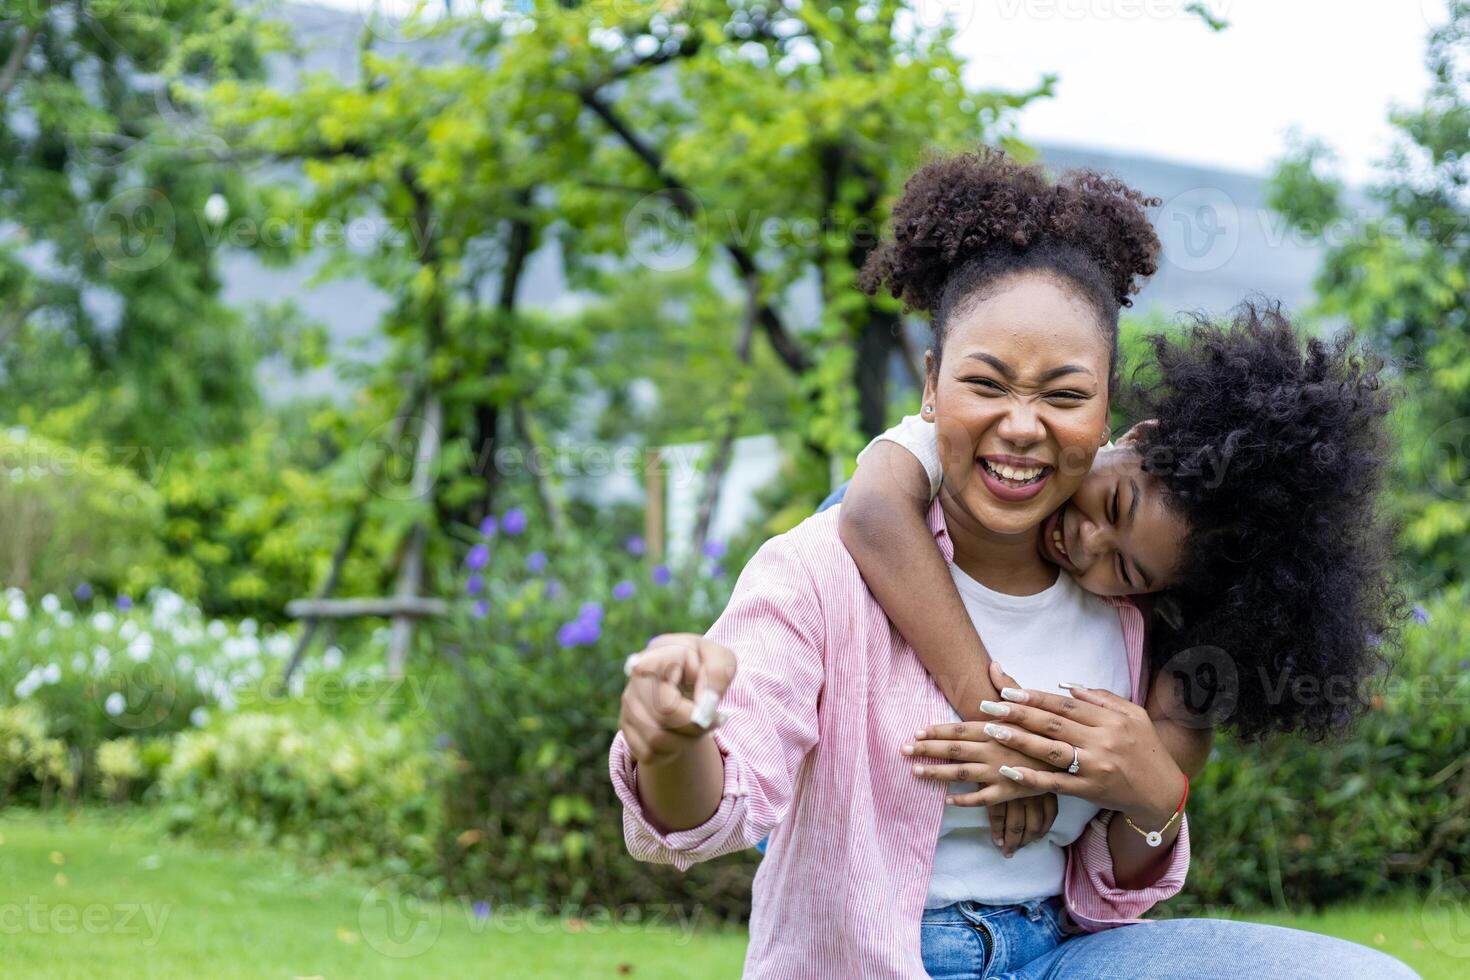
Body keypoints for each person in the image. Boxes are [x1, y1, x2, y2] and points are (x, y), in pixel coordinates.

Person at [611, 149, 1417, 978]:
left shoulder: (1133, 623)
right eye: (986, 383)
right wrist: (674, 741)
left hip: (1055, 957)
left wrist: (1154, 800)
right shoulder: (825, 569)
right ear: (931, 386)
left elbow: (1113, 896)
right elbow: (712, 815)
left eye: (1065, 396)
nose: (1024, 426)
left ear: (1108, 411)